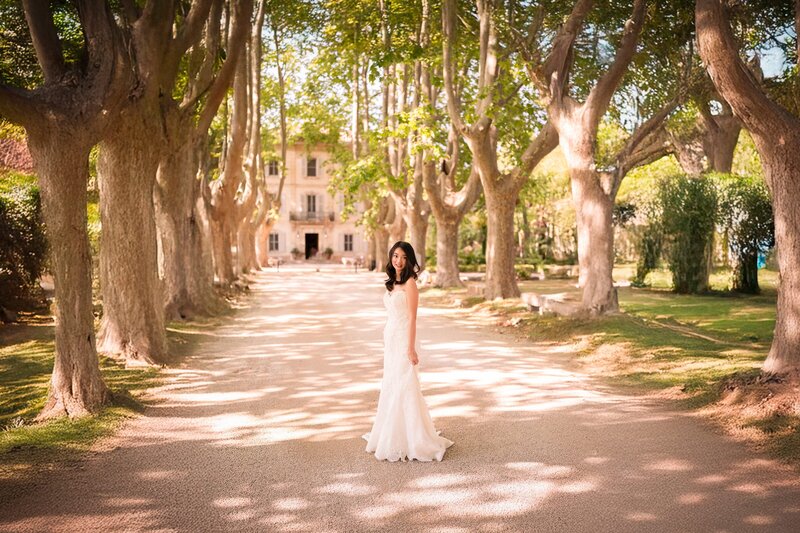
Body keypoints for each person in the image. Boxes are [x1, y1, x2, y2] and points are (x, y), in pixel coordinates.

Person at [362, 241, 454, 462]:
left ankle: (413, 438)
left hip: (404, 338)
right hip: (391, 336)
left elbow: (412, 317)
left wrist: (411, 348)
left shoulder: (411, 283)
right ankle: (390, 432)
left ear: (410, 259)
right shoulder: (393, 282)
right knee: (392, 382)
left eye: (403, 257)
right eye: (395, 256)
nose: (399, 261)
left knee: (406, 383)